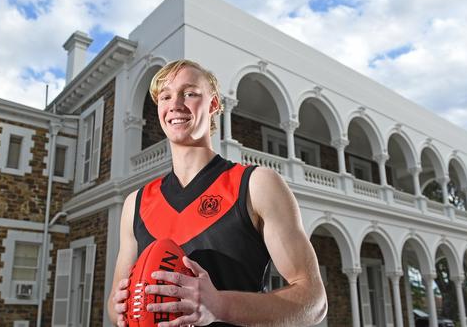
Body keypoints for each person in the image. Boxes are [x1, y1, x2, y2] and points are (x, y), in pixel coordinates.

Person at [107, 59, 327, 326]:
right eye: (165, 96)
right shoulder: (136, 203)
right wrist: (120, 307)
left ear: (212, 105)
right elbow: (114, 305)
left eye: (189, 93)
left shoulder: (256, 184)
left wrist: (219, 305)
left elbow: (313, 302)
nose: (175, 104)